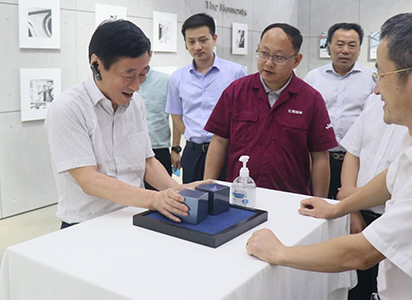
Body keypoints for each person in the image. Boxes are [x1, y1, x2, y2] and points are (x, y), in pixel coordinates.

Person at [247, 11, 412, 300]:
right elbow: (394, 176)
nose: (376, 90)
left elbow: (361, 253)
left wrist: (278, 252)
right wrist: (339, 208)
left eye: (382, 76)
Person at [45, 20, 206, 229]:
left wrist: (176, 191)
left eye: (143, 74)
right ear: (96, 64)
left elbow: (147, 162)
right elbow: (89, 180)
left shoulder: (135, 103)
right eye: (129, 75)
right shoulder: (68, 108)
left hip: (134, 216)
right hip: (86, 225)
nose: (137, 86)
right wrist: (153, 198)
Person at [203, 23, 337, 197]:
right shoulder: (236, 91)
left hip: (290, 197)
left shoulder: (311, 99)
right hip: (240, 195)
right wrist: (207, 188)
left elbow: (320, 157)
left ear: (296, 60)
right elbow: (219, 142)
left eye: (279, 57)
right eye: (263, 53)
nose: (268, 63)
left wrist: (319, 201)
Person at [336, 93, 408, 300]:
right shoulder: (375, 101)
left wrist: (355, 198)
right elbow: (353, 153)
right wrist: (352, 210)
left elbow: (408, 174)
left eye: (381, 76)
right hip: (358, 217)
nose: (376, 87)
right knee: (351, 299)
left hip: (394, 219)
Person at [166, 13, 246, 183]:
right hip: (193, 153)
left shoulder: (235, 72)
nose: (197, 47)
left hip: (226, 151)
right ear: (185, 43)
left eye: (203, 40)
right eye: (191, 41)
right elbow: (176, 114)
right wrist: (188, 136)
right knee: (192, 197)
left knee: (226, 197)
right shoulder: (177, 77)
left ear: (214, 39)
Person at [304, 23, 374, 199]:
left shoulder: (372, 79)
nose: (345, 51)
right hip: (320, 160)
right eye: (340, 44)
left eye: (352, 45)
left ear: (359, 49)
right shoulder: (314, 77)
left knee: (352, 208)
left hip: (356, 161)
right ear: (329, 46)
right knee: (317, 204)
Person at [137, 67, 182, 189]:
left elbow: (176, 117)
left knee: (163, 194)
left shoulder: (166, 81)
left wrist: (176, 149)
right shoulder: (121, 80)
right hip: (129, 151)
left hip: (158, 150)